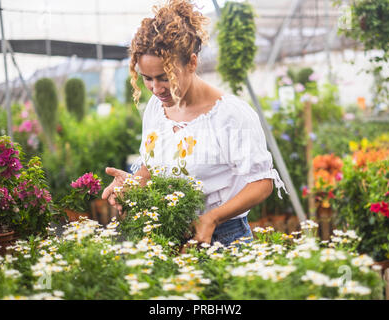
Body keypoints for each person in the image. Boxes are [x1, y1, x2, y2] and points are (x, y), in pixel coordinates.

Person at [102, 0, 287, 246]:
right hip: (168, 233)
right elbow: (152, 164)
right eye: (147, 79)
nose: (156, 89)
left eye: (164, 77)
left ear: (191, 63)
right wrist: (133, 185)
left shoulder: (231, 115)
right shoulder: (156, 109)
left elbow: (262, 183)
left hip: (223, 239)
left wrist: (211, 218)